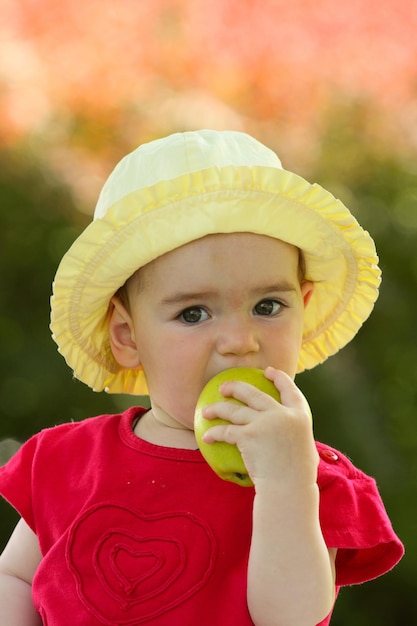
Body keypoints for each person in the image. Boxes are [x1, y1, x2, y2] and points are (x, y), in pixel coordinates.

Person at [0, 130, 404, 626]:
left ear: (304, 307)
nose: (240, 339)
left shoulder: (308, 478)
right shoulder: (65, 464)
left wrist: (285, 481)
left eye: (267, 306)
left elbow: (293, 617)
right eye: (194, 314)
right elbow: (15, 577)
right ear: (127, 336)